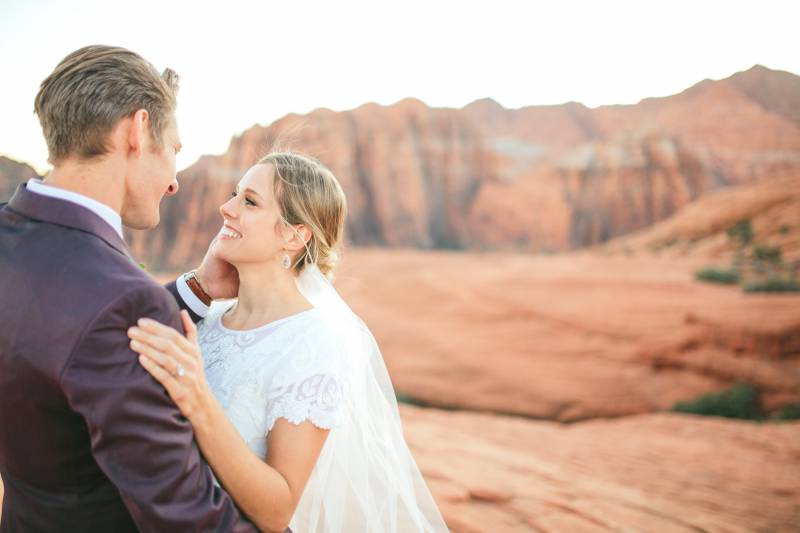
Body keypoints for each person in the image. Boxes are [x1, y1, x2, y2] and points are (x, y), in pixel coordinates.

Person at [0, 45, 267, 531]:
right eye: (174, 150)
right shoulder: (125, 302)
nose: (174, 184)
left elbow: (67, 332)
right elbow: (185, 520)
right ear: (137, 131)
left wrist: (196, 290)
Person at [126, 152, 450, 532]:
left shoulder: (315, 343)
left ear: (294, 235)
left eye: (249, 201)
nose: (225, 208)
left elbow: (277, 510)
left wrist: (198, 401)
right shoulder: (207, 322)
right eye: (235, 195)